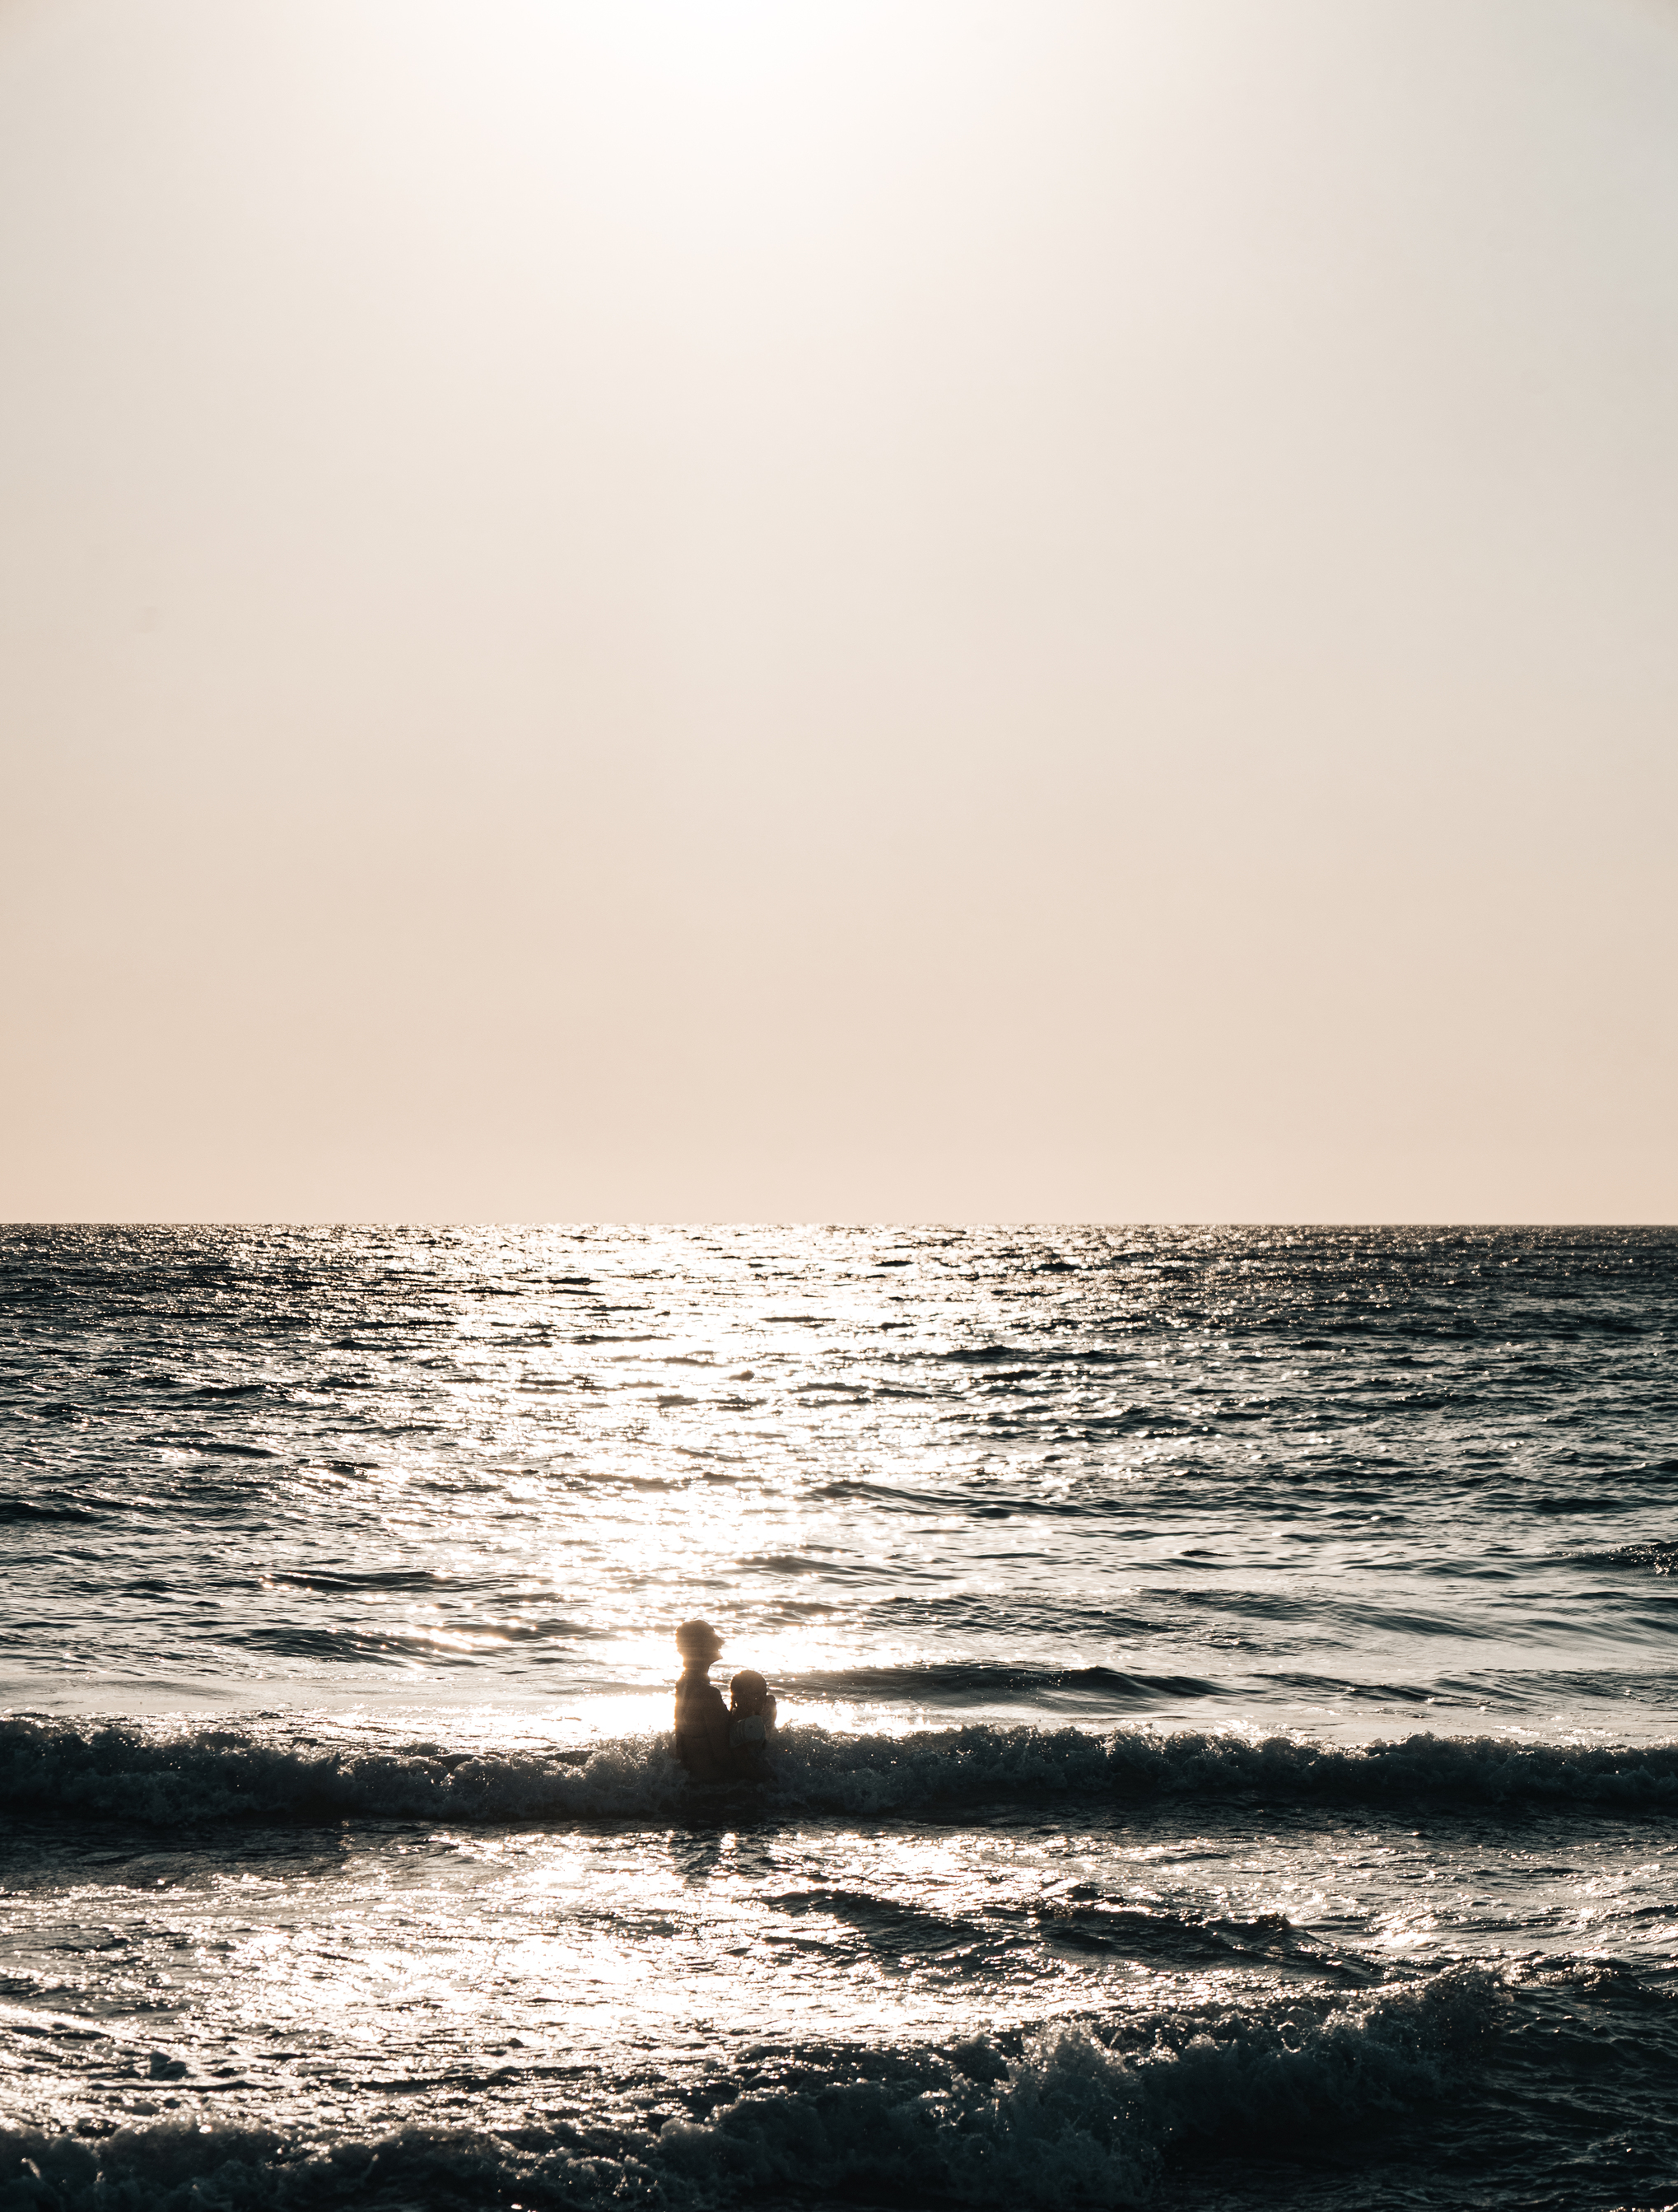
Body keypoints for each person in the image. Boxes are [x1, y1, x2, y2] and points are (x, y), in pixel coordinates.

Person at [672, 1619, 731, 1780]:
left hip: (693, 1782)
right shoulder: (708, 1694)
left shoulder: (683, 1683)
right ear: (700, 1647)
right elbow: (724, 1756)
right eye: (713, 1636)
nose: (721, 1641)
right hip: (713, 1788)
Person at [727, 1668, 777, 1779]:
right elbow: (744, 1765)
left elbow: (770, 1699)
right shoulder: (743, 1727)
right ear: (739, 1697)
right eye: (755, 1695)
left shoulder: (756, 1715)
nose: (762, 1699)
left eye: (764, 1693)